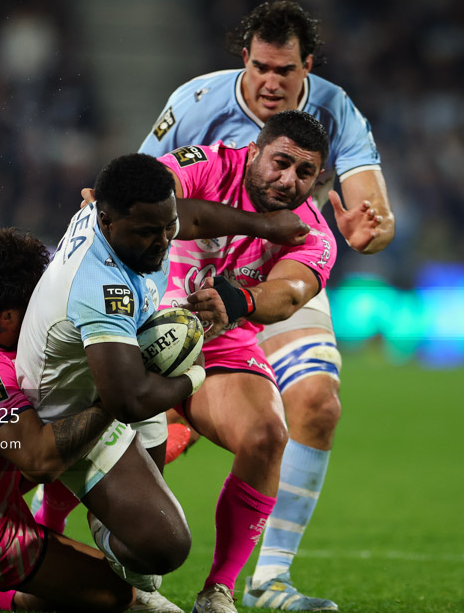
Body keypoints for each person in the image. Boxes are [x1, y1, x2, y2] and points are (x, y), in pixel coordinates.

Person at [138, 0, 393, 611]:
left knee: (316, 403)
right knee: (147, 403)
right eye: (261, 67)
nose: (272, 82)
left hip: (275, 265)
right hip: (184, 267)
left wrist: (370, 231)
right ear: (243, 58)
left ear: (308, 66)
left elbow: (372, 215)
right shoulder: (198, 101)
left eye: (287, 71)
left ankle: (268, 580)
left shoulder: (336, 112)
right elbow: (142, 183)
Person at [15, 154, 310, 611]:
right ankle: (45, 583)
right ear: (107, 221)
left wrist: (265, 226)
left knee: (151, 556)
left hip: (101, 378)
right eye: (148, 232)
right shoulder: (102, 286)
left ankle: (125, 573)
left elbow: (193, 215)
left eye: (167, 227)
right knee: (162, 548)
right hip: (66, 411)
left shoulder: (132, 225)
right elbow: (129, 400)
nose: (163, 242)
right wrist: (195, 375)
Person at [0, 228, 171, 612]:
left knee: (65, 414)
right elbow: (41, 461)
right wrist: (117, 397)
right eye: (35, 302)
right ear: (7, 317)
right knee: (116, 594)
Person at [149, 110, 337, 613]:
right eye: (280, 162)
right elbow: (153, 198)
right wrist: (257, 225)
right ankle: (33, 546)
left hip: (218, 342)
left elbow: (291, 291)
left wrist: (241, 302)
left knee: (267, 435)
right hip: (133, 324)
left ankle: (219, 589)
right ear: (254, 152)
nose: (288, 179)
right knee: (61, 438)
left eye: (304, 173)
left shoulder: (313, 233)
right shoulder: (210, 165)